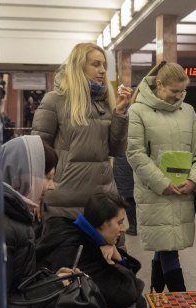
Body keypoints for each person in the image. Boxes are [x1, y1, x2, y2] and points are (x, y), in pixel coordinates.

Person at [0, 135, 105, 308]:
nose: (52, 186)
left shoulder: (17, 217)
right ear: (23, 175)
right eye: (47, 176)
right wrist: (52, 286)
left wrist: (53, 277)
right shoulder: (6, 227)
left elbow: (19, 284)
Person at [126, 61, 196, 293]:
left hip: (183, 191)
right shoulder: (137, 111)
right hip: (154, 192)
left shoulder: (188, 111)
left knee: (164, 246)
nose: (178, 96)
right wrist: (163, 184)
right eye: (174, 91)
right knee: (167, 247)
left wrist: (194, 178)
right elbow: (134, 153)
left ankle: (157, 295)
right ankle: (179, 297)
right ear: (159, 85)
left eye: (183, 91)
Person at [32, 42, 133, 221]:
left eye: (104, 65)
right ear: (78, 66)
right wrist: (36, 194)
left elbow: (116, 150)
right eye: (96, 64)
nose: (102, 70)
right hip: (63, 200)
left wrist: (119, 114)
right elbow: (38, 152)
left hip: (102, 199)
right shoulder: (55, 100)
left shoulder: (106, 102)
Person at [113, 154, 138, 236]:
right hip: (131, 165)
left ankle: (133, 226)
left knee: (128, 198)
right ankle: (135, 225)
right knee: (133, 197)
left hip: (122, 168)